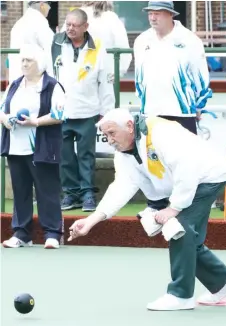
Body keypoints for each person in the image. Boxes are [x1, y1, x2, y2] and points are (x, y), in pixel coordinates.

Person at [68, 108, 226, 311]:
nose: (109, 140)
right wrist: (91, 220)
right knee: (189, 236)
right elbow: (122, 186)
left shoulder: (160, 133)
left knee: (180, 227)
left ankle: (181, 295)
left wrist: (173, 208)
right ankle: (223, 282)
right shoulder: (123, 152)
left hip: (208, 176)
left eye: (112, 133)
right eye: (105, 135)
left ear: (130, 127)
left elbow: (187, 168)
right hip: (185, 182)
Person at [133, 1, 212, 213]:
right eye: (150, 13)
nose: (153, 17)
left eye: (158, 13)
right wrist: (143, 105)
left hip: (182, 110)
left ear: (170, 14)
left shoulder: (189, 40)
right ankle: (157, 205)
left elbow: (201, 74)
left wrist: (199, 105)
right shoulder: (141, 40)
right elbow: (139, 78)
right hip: (151, 112)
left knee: (187, 161)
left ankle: (190, 205)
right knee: (154, 161)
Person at [0, 44, 66, 249]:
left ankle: (52, 233)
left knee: (47, 190)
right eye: (23, 60)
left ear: (41, 63)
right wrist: (6, 120)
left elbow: (60, 114)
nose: (25, 64)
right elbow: (2, 109)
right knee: (20, 191)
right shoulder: (15, 84)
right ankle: (21, 233)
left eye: (29, 60)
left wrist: (34, 122)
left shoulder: (52, 86)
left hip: (42, 147)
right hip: (16, 147)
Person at [52, 9, 115, 212]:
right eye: (68, 24)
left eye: (75, 25)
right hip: (60, 111)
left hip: (88, 110)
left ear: (86, 26)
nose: (70, 28)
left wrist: (107, 112)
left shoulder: (97, 47)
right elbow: (46, 73)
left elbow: (105, 82)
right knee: (65, 155)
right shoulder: (55, 43)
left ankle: (88, 193)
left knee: (86, 155)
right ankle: (70, 193)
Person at [61, 1, 132, 82]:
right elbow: (123, 47)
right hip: (104, 76)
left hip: (77, 76)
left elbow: (61, 45)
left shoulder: (74, 15)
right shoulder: (111, 18)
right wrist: (119, 71)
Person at [8, 1, 54, 84]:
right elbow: (50, 48)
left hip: (17, 77)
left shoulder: (19, 23)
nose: (50, 8)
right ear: (42, 5)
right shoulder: (40, 22)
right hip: (34, 79)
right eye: (49, 4)